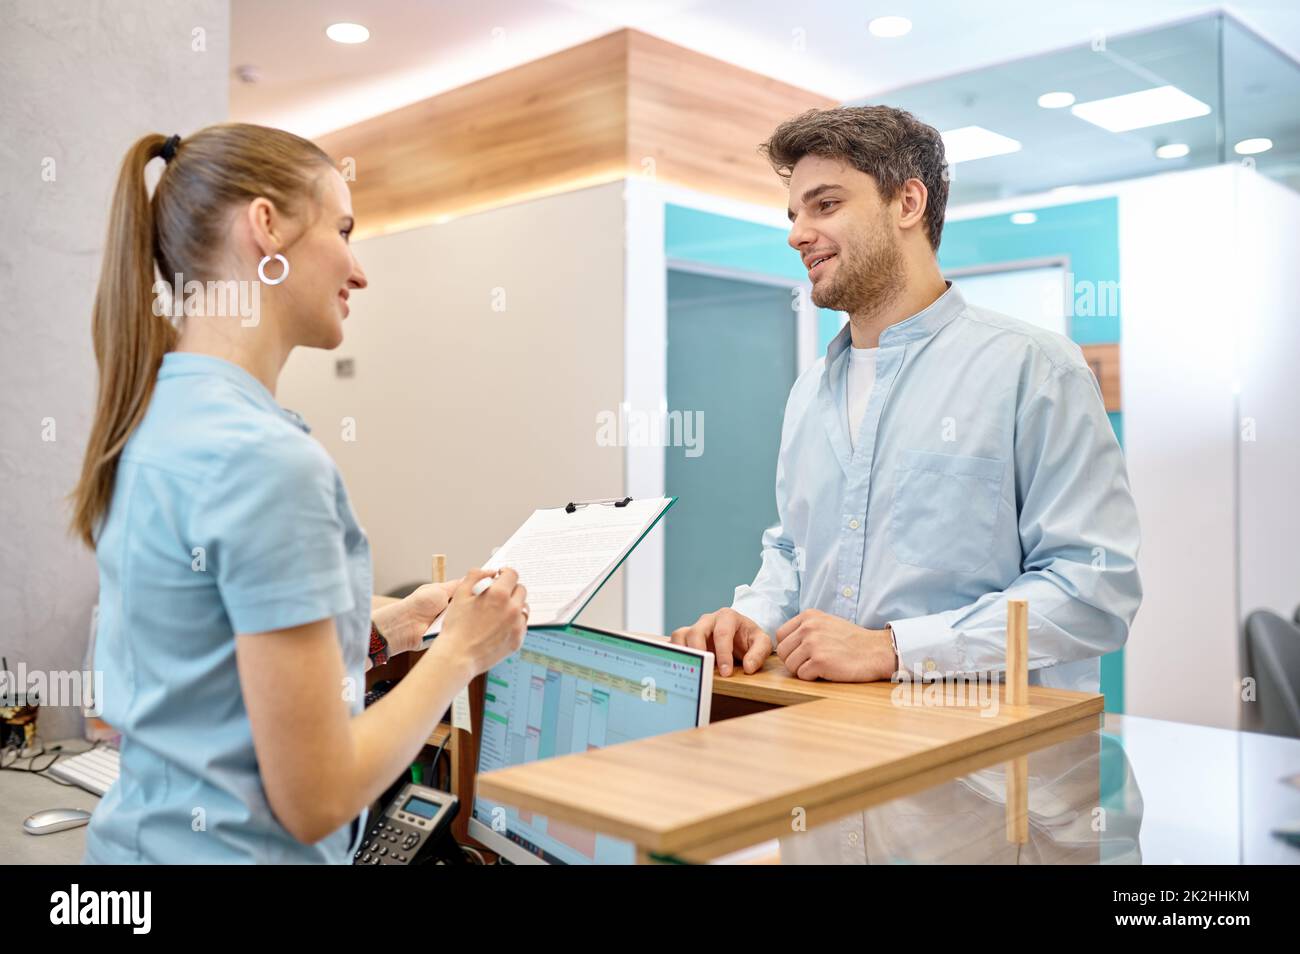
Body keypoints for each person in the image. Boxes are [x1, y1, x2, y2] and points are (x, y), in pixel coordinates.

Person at [70, 124, 527, 863]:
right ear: (267, 226)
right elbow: (316, 795)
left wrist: (388, 629)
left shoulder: (154, 417)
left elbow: (214, 657)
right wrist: (460, 657)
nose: (359, 270)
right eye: (343, 229)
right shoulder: (268, 463)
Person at [671, 106, 1141, 692]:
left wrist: (895, 649)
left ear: (908, 204)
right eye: (794, 215)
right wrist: (754, 618)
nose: (796, 235)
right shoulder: (808, 393)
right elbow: (792, 551)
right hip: (830, 744)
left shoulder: (1036, 370)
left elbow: (1094, 592)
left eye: (826, 204)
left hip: (990, 770)